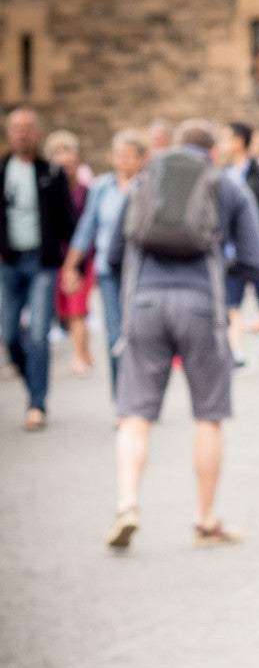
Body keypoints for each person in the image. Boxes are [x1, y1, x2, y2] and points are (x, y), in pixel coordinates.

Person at [104, 119, 259, 550]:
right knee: (209, 414)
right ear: (213, 151)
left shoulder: (145, 180)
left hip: (144, 303)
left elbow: (113, 255)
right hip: (201, 304)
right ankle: (205, 519)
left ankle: (126, 505)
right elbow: (257, 258)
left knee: (135, 412)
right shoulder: (226, 185)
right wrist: (220, 265)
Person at [0, 107, 76, 430]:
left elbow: (68, 222)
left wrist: (74, 266)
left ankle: (37, 403)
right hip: (8, 262)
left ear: (38, 133)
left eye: (28, 128)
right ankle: (31, 382)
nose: (22, 133)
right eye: (16, 128)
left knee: (39, 334)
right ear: (8, 132)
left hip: (42, 263)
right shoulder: (2, 171)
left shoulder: (51, 173)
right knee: (8, 334)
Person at [60, 129, 147, 398]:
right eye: (118, 155)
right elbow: (87, 228)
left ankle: (141, 394)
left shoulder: (148, 186)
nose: (122, 161)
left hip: (141, 272)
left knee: (139, 335)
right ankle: (121, 397)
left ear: (141, 159)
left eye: (128, 156)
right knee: (114, 336)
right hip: (108, 270)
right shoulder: (101, 187)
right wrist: (70, 266)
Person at [219, 121, 259, 371]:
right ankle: (237, 352)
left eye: (226, 138)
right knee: (232, 303)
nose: (222, 144)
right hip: (231, 251)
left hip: (258, 249)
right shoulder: (222, 173)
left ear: (239, 140)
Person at [45, 129, 95, 376]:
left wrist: (75, 264)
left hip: (81, 258)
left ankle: (79, 356)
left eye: (68, 154)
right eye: (57, 153)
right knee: (68, 311)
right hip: (56, 257)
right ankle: (85, 353)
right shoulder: (49, 190)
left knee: (77, 310)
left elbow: (88, 230)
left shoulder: (86, 191)